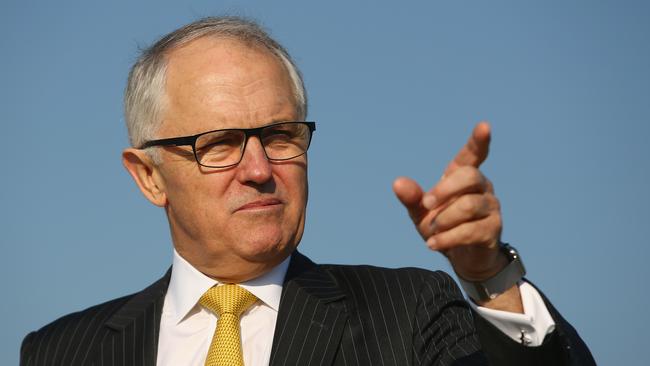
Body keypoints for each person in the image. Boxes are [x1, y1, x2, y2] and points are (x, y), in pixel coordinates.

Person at [20, 16, 595, 366]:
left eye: (279, 135)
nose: (259, 168)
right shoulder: (62, 352)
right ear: (148, 176)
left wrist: (489, 278)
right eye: (219, 143)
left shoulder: (411, 314)